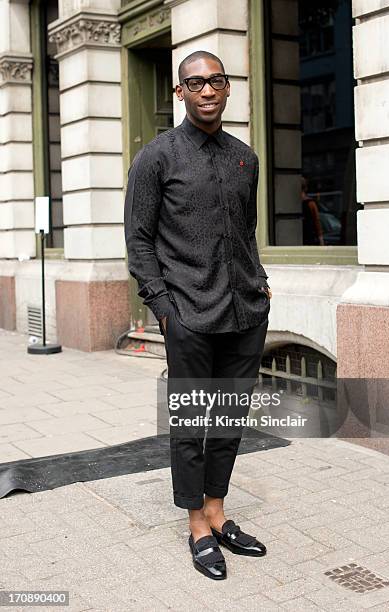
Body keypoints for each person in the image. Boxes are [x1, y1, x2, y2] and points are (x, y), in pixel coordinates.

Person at [124, 50, 272, 580]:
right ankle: (196, 525)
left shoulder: (244, 159)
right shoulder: (156, 158)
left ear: (228, 89)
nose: (207, 90)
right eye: (195, 83)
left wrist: (259, 287)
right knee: (191, 423)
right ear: (180, 93)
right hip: (188, 313)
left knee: (230, 420)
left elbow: (246, 233)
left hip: (245, 312)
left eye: (216, 81)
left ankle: (219, 511)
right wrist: (165, 311)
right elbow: (139, 243)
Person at [301, 176, 325, 246]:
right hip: (310, 238)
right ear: (305, 188)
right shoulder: (311, 203)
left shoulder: (293, 205)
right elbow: (317, 221)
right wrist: (321, 239)